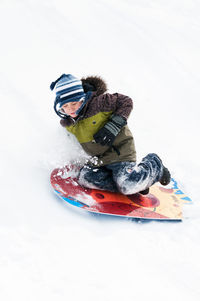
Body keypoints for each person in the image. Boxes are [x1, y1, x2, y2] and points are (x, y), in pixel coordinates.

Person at [50, 74, 170, 195]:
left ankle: (155, 165)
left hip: (120, 154)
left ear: (82, 98)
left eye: (74, 103)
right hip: (99, 161)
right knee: (85, 178)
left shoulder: (99, 103)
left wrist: (113, 125)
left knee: (127, 185)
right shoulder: (68, 123)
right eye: (65, 106)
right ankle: (134, 182)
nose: (70, 109)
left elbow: (126, 102)